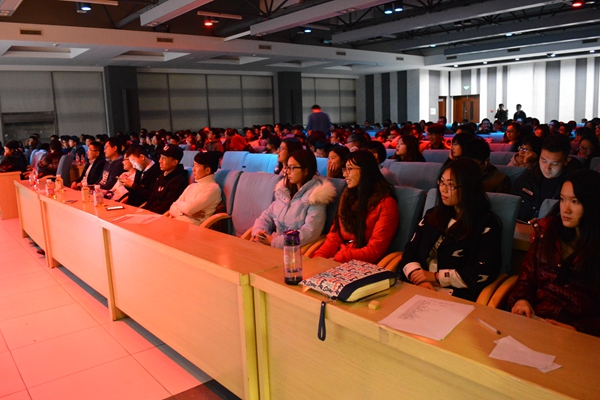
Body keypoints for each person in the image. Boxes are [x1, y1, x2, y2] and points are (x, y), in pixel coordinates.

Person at [508, 170, 600, 337]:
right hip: (537, 321)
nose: (565, 209)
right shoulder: (547, 232)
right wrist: (522, 300)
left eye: (575, 201)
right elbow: (526, 278)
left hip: (580, 335)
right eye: (563, 199)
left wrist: (578, 330)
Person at [399, 158, 502, 301]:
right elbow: (411, 250)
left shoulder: (485, 225)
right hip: (418, 285)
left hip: (455, 295)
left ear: (469, 187)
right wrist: (419, 278)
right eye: (441, 182)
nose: (443, 189)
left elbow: (484, 270)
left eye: (451, 185)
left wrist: (435, 277)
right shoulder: (433, 215)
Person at [312, 150, 399, 264]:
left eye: (350, 169)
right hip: (341, 257)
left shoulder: (386, 204)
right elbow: (335, 236)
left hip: (363, 264)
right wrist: (320, 257)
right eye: (345, 169)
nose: (344, 174)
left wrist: (338, 258)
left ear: (365, 171)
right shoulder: (348, 197)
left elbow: (374, 250)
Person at [252, 150, 336, 248]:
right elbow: (266, 217)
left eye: (292, 168)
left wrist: (274, 242)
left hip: (293, 250)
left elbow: (310, 232)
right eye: (287, 167)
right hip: (272, 246)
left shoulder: (316, 196)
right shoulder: (284, 191)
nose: (287, 172)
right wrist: (259, 233)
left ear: (306, 170)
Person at [511, 134, 582, 221]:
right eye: (543, 161)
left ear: (566, 161)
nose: (547, 168)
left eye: (555, 164)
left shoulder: (576, 186)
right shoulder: (526, 179)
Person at [167, 152, 222, 225]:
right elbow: (172, 207)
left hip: (193, 228)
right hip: (178, 224)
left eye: (196, 166)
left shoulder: (213, 189)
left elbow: (188, 209)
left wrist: (178, 204)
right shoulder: (191, 186)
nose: (193, 169)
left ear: (207, 170)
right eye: (193, 166)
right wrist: (182, 213)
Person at [142, 144, 189, 215]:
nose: (160, 161)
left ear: (174, 162)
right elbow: (152, 197)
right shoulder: (163, 174)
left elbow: (166, 206)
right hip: (149, 212)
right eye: (160, 157)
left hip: (161, 216)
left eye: (164, 158)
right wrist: (143, 210)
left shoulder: (179, 181)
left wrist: (147, 214)